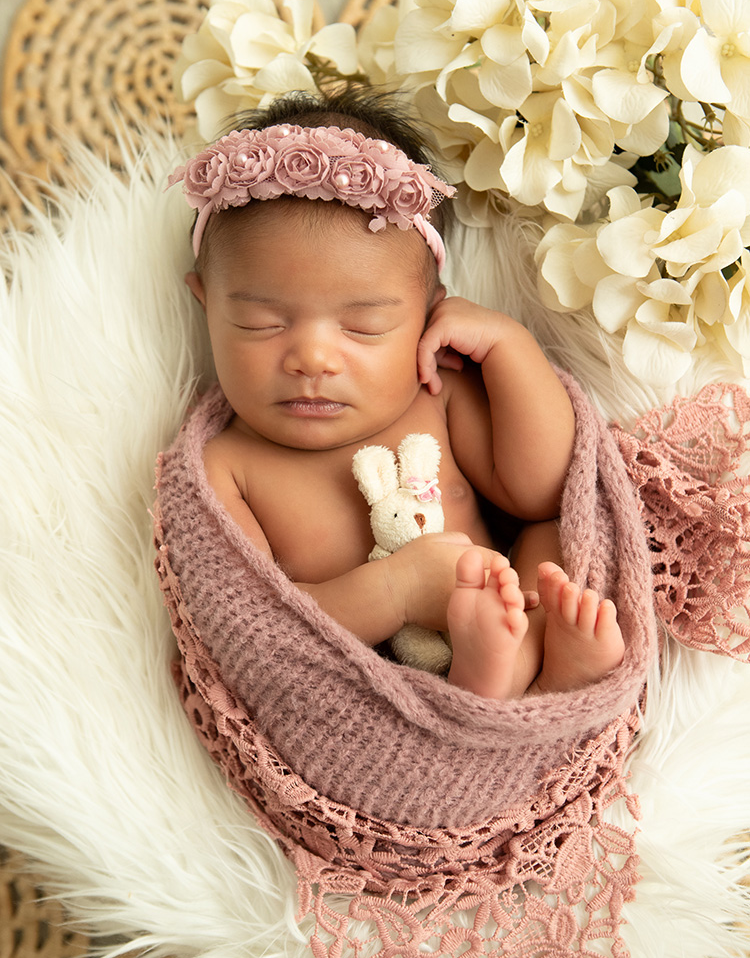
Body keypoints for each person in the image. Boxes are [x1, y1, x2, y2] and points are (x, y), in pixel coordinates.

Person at [171, 86, 624, 700]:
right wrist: (398, 591)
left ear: (426, 315)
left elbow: (541, 488)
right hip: (355, 692)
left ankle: (533, 665)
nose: (313, 358)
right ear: (207, 306)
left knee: (548, 545)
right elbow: (251, 629)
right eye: (261, 323)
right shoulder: (226, 465)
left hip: (495, 619)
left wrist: (510, 348)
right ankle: (494, 681)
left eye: (363, 327)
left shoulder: (434, 393)